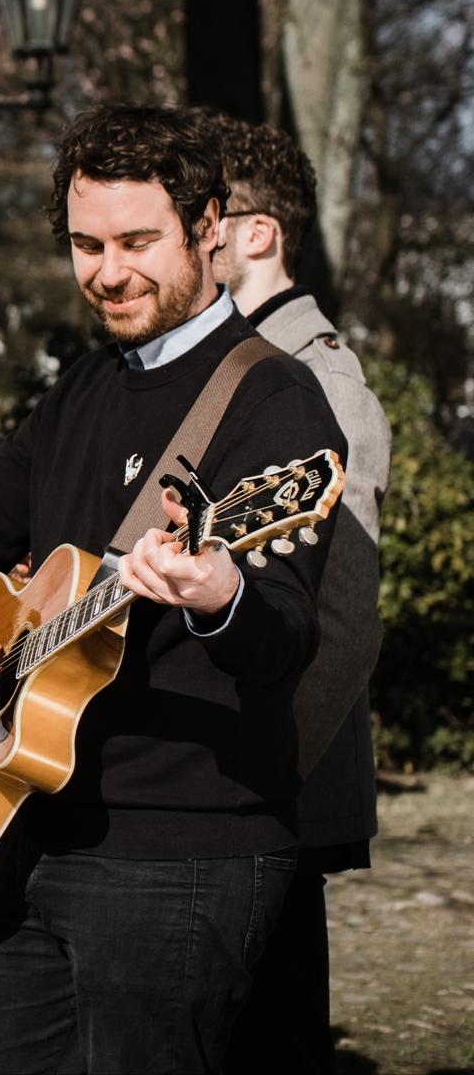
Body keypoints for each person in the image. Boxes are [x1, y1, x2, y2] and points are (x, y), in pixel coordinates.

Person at [0, 104, 347, 1073]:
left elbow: (289, 637)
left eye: (138, 242)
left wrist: (219, 589)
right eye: (86, 244)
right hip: (36, 830)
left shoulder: (276, 400)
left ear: (210, 224)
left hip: (185, 849)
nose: (107, 272)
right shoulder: (83, 387)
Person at [203, 113, 391, 1075]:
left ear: (257, 234)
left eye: (210, 217)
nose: (195, 237)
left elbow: (348, 624)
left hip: (268, 799)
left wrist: (252, 782)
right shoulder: (226, 369)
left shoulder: (324, 380)